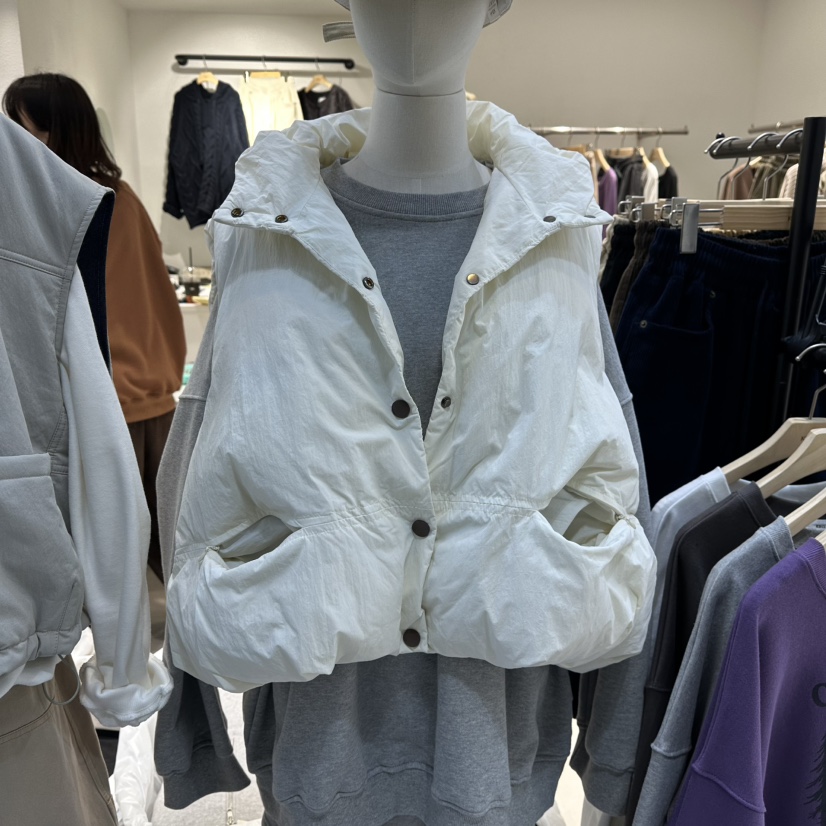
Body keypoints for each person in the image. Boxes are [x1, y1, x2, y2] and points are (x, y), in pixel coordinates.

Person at [4, 73, 186, 584]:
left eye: (25, 126)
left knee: (113, 563)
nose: (17, 140)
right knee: (167, 551)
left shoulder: (68, 206)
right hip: (151, 395)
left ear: (57, 129)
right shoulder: (118, 196)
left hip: (107, 406)